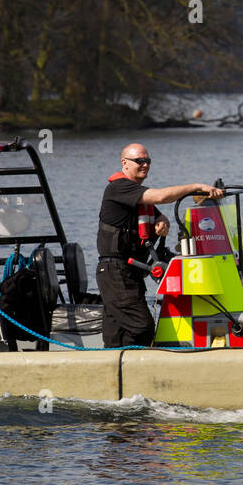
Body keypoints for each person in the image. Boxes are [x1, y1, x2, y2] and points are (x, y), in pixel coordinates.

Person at [97, 143, 223, 348]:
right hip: (115, 272)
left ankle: (113, 367)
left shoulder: (136, 196)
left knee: (116, 332)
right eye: (139, 161)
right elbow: (161, 196)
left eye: (148, 161)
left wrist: (162, 218)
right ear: (124, 163)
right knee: (141, 327)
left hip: (130, 272)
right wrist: (196, 187)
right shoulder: (118, 188)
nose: (145, 165)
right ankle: (133, 364)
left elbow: (155, 210)